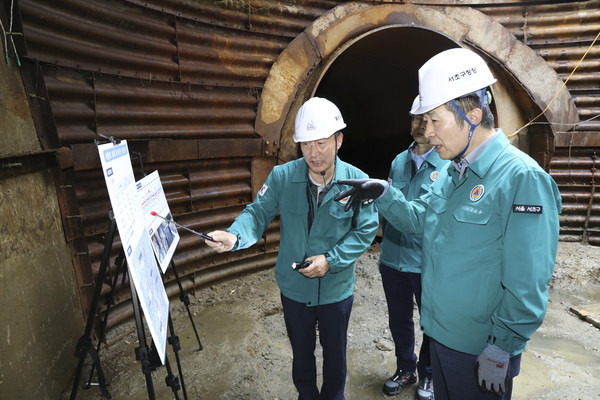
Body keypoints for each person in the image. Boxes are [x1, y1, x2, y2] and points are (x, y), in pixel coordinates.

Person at [334, 48, 561, 400]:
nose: (429, 133)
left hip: (480, 349)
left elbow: (528, 283)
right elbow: (416, 219)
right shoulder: (451, 175)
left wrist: (503, 347)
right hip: (440, 337)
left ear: (471, 116)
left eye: (436, 121)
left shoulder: (521, 179)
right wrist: (383, 192)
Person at [204, 97, 379, 400]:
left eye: (322, 143)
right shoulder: (282, 177)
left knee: (335, 355)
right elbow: (257, 213)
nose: (314, 153)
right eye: (306, 144)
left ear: (339, 140)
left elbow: (366, 229)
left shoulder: (358, 181)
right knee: (301, 353)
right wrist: (234, 236)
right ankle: (307, 395)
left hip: (336, 289)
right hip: (295, 288)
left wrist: (332, 260)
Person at [379, 97, 448, 399]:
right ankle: (405, 368)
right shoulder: (398, 160)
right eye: (416, 118)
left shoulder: (446, 165)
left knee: (430, 321)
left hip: (425, 261)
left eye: (428, 118)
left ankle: (429, 375)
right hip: (392, 258)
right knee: (399, 319)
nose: (421, 125)